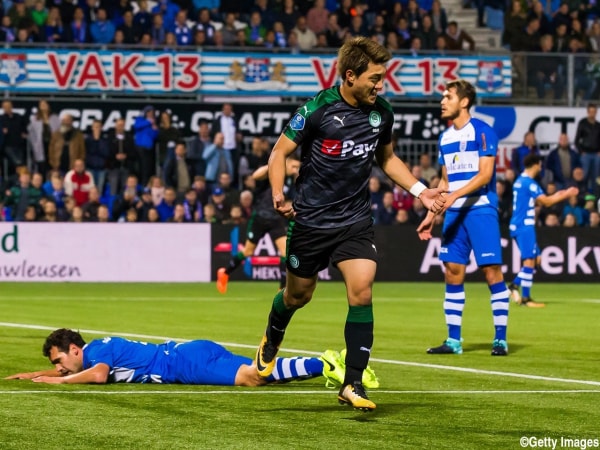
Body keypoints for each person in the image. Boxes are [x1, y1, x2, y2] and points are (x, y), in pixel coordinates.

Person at [254, 37, 445, 412]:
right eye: (374, 78)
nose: (380, 85)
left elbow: (387, 160)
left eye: (383, 78)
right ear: (351, 75)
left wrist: (421, 191)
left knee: (362, 292)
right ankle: (272, 338)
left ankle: (352, 383)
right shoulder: (317, 109)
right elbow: (279, 151)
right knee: (298, 296)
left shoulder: (382, 113)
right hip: (309, 224)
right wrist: (278, 193)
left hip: (354, 221)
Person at [417, 79, 510, 357]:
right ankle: (454, 341)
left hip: (481, 209)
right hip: (454, 213)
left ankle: (500, 339)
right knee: (452, 272)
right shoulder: (444, 138)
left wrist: (455, 195)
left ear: (465, 101)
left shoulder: (483, 132)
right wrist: (431, 216)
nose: (442, 101)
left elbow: (485, 175)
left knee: (491, 271)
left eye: (448, 96)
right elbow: (445, 183)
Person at [5, 328, 378, 390]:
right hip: (188, 352)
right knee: (252, 371)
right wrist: (33, 373)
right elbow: (85, 370)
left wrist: (58, 381)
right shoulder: (91, 352)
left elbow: (99, 375)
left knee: (253, 377)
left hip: (182, 364)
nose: (59, 367)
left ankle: (325, 363)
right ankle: (329, 361)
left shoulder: (96, 354)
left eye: (59, 361)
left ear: (75, 350)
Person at [216, 154, 301, 294]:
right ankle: (225, 272)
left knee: (285, 251)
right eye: (294, 166)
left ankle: (282, 288)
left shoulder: (292, 181)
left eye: (298, 167)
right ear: (286, 163)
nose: (296, 170)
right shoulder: (275, 173)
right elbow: (255, 176)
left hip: (276, 219)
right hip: (260, 216)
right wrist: (274, 165)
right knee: (248, 251)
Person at [508, 154, 579, 308]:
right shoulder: (529, 183)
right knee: (529, 261)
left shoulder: (519, 181)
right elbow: (546, 201)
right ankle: (522, 296)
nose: (541, 168)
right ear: (535, 165)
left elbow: (545, 197)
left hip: (518, 225)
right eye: (540, 165)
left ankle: (517, 289)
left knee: (536, 260)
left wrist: (563, 192)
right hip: (524, 226)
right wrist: (567, 195)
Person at [574, 104, 600, 193]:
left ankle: (595, 196)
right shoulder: (583, 123)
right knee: (584, 176)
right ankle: (582, 194)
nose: (592, 114)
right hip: (586, 154)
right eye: (590, 112)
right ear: (588, 112)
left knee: (596, 177)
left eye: (594, 112)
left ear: (596, 112)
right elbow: (577, 140)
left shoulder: (598, 125)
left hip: (596, 154)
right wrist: (581, 152)